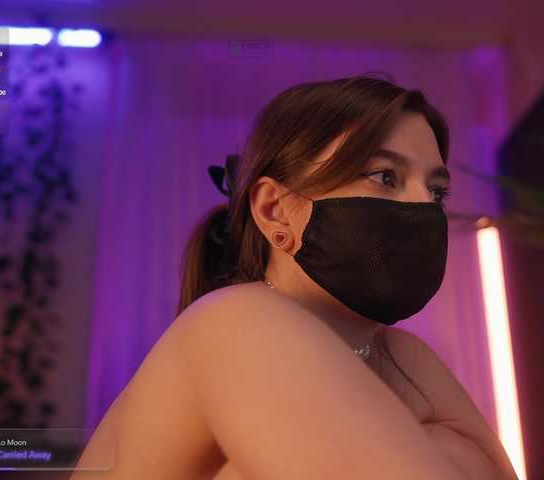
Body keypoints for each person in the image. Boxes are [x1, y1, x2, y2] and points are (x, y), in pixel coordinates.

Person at [70, 74, 519, 479]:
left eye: (437, 191)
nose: (423, 206)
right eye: (385, 176)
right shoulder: (235, 321)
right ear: (275, 211)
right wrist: (447, 453)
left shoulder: (402, 356)